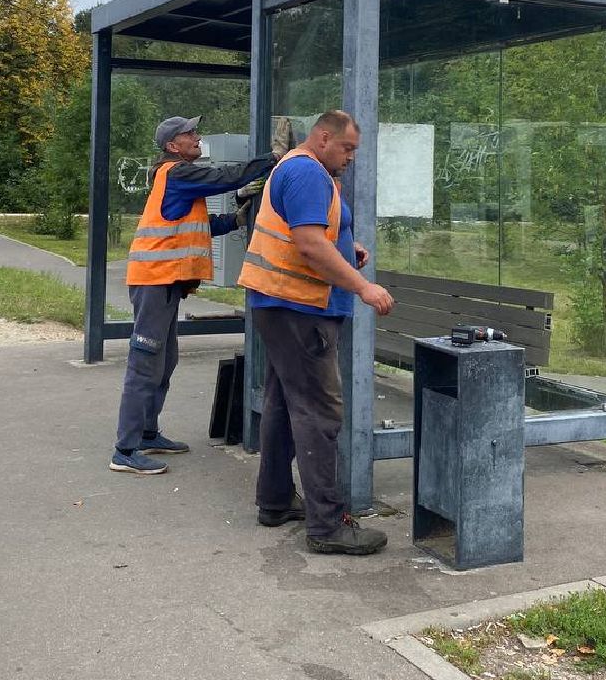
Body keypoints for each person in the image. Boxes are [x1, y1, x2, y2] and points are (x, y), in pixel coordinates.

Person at [238, 109, 395, 555]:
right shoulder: (308, 172)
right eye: (347, 148)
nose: (351, 157)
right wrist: (363, 286)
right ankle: (327, 526)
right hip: (301, 309)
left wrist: (346, 245)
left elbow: (314, 234)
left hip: (282, 306)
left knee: (282, 405)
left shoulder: (298, 169)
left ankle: (275, 501)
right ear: (323, 137)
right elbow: (308, 244)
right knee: (319, 413)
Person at [110, 115, 277, 477]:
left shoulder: (175, 178)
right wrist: (273, 158)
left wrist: (235, 220)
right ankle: (125, 449)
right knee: (145, 362)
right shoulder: (178, 173)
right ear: (173, 146)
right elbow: (227, 177)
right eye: (190, 134)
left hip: (165, 281)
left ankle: (147, 433)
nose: (197, 137)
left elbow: (196, 226)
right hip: (155, 280)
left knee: (164, 360)